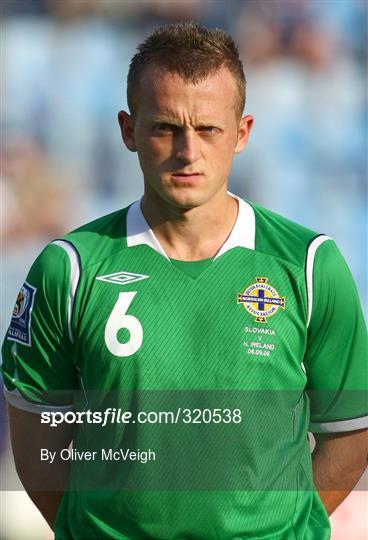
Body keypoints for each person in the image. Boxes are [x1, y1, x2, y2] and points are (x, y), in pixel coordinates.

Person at [2, 21, 367, 540]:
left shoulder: (309, 265)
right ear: (129, 131)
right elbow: (38, 435)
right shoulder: (70, 268)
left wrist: (280, 529)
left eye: (208, 129)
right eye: (165, 128)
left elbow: (349, 434)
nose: (188, 151)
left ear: (242, 133)